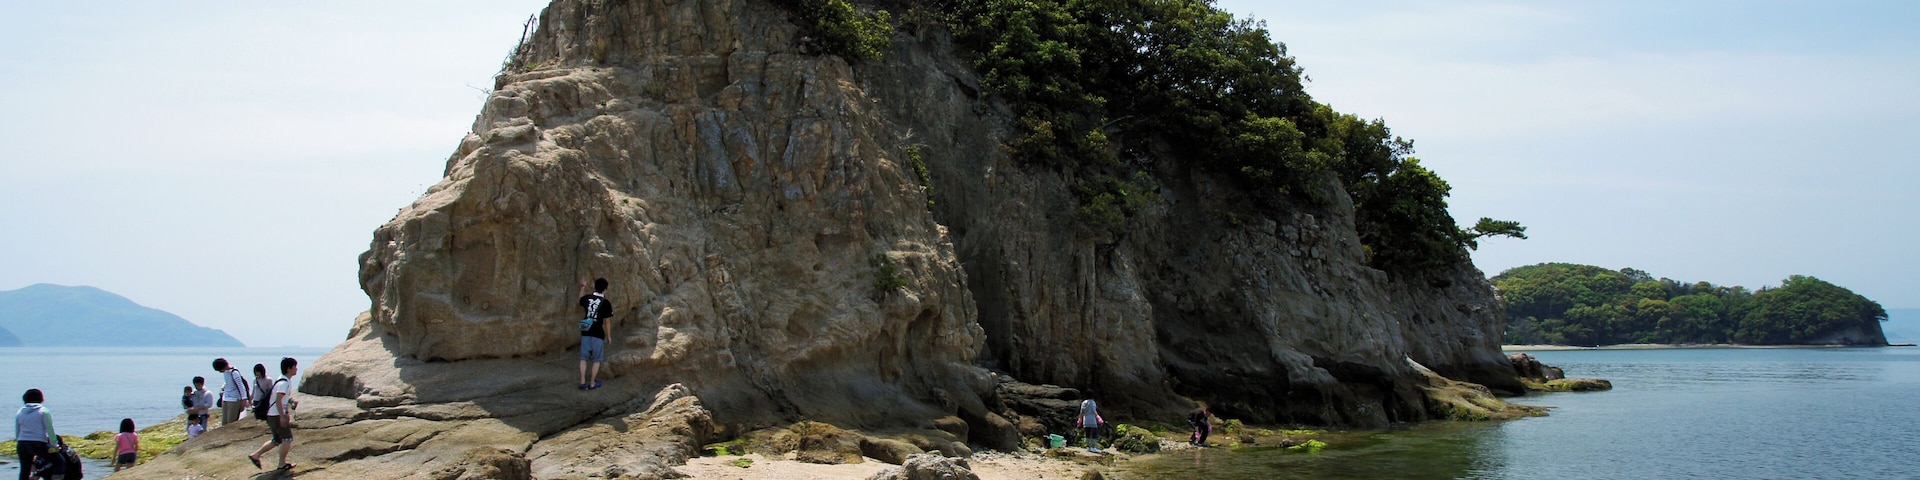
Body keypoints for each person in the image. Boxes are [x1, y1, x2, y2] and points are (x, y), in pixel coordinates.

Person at [248, 357, 299, 472]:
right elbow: (278, 399)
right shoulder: (284, 383)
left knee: (277, 440)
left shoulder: (281, 380)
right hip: (276, 415)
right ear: (289, 368)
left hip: (272, 414)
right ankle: (281, 464)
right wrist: (282, 416)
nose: (296, 369)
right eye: (295, 367)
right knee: (287, 438)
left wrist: (285, 413)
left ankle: (256, 455)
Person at [577, 277, 614, 390]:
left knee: (583, 358)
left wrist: (582, 287)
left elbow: (580, 299)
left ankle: (582, 381)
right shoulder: (606, 303)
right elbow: (607, 322)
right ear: (605, 289)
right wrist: (609, 336)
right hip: (598, 332)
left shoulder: (588, 298)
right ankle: (592, 383)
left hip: (586, 330)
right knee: (596, 359)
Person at [15, 389, 57, 480]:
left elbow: (17, 432)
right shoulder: (43, 411)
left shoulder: (19, 412)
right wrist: (54, 445)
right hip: (38, 444)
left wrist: (21, 442)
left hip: (22, 444)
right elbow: (49, 429)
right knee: (59, 461)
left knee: (25, 470)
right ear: (41, 399)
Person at [213, 358, 252, 426]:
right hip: (226, 398)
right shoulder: (226, 372)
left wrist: (244, 399)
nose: (220, 372)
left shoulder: (234, 373)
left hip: (234, 399)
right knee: (224, 422)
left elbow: (241, 386)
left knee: (231, 421)